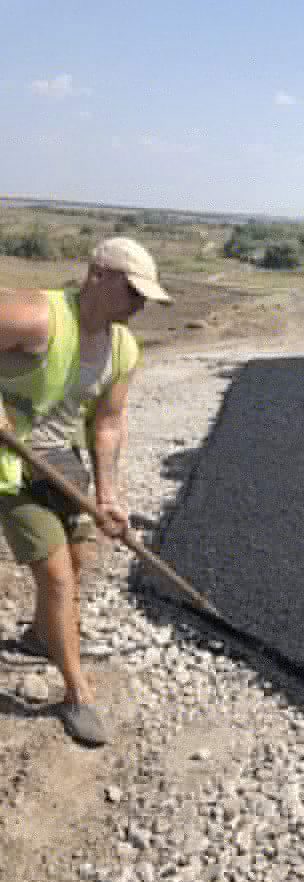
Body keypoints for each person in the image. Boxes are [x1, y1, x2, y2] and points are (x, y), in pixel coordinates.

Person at [0, 237, 172, 746]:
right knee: (56, 577)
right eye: (133, 293)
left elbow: (108, 423)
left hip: (62, 466)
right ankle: (77, 694)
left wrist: (109, 496)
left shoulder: (123, 348)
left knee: (77, 562)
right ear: (97, 275)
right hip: (11, 466)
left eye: (146, 298)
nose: (140, 307)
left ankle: (39, 636)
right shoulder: (34, 316)